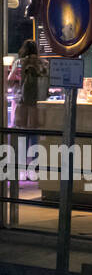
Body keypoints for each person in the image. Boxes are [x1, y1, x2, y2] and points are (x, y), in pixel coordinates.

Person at [6, 41, 47, 181]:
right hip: (37, 104)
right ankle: (35, 171)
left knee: (22, 137)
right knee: (35, 137)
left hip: (21, 104)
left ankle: (21, 170)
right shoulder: (43, 63)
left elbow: (9, 82)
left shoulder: (18, 63)